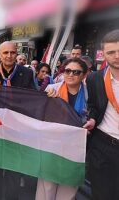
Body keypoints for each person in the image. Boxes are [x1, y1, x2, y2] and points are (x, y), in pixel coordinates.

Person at [0, 41, 35, 200]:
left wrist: (50, 94)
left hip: (17, 128)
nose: (9, 56)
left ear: (17, 53)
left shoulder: (26, 73)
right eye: (5, 53)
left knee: (14, 169)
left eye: (12, 52)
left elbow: (34, 97)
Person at [36, 58, 89, 200]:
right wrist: (49, 101)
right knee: (47, 185)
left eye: (76, 72)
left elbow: (95, 115)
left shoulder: (90, 94)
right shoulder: (51, 89)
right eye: (68, 71)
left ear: (84, 75)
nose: (71, 74)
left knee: (68, 187)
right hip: (52, 144)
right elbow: (40, 115)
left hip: (75, 146)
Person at [86, 30, 119, 199]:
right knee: (102, 194)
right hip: (102, 144)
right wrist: (92, 118)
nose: (116, 56)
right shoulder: (95, 79)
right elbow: (93, 105)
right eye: (111, 52)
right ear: (104, 54)